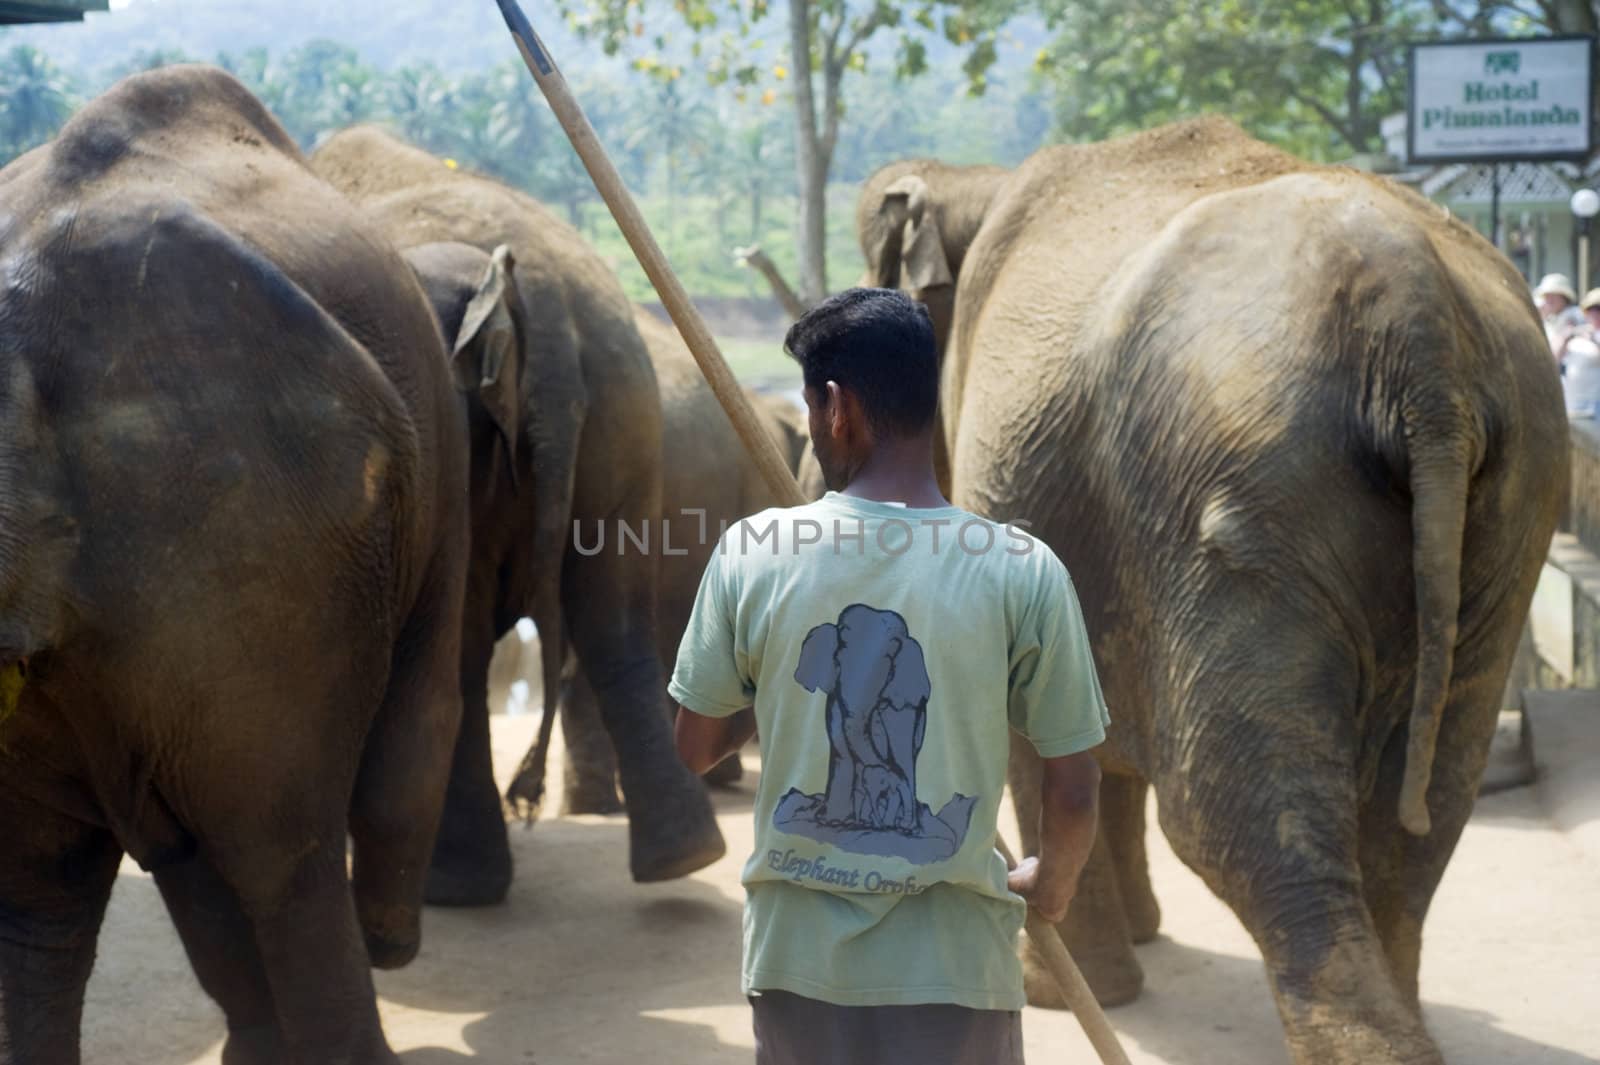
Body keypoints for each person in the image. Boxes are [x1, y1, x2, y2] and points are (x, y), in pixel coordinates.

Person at [669, 288, 1108, 1065]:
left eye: (810, 411)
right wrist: (1053, 887)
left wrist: (765, 681)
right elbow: (1073, 786)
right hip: (957, 971)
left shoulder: (753, 550)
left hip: (797, 966)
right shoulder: (1020, 569)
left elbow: (695, 746)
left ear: (837, 409)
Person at [1564, 288, 1600, 418]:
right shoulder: (1579, 332)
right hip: (1572, 404)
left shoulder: (1591, 335)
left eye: (1599, 308)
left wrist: (1594, 340)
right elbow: (1554, 360)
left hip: (1596, 406)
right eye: (1592, 309)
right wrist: (1566, 336)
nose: (1595, 313)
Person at [1535, 273, 1586, 362]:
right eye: (1546, 296)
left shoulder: (1572, 314)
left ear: (1564, 297)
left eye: (1553, 295)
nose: (1549, 300)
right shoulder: (1550, 318)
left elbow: (1559, 344)